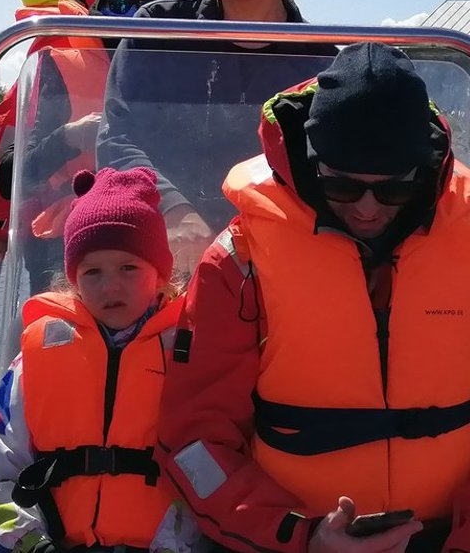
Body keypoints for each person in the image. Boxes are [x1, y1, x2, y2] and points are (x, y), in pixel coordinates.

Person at [156, 42, 470, 552]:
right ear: (311, 162)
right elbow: (194, 440)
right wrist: (301, 537)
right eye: (343, 187)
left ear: (425, 170)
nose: (368, 208)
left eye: (393, 190)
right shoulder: (240, 258)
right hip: (293, 536)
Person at [96, 0, 336, 271]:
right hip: (163, 253)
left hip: (277, 260)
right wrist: (173, 210)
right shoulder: (159, 31)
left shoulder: (323, 67)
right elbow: (117, 138)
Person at [0, 167, 188, 553]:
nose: (111, 285)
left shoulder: (192, 356)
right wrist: (32, 544)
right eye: (92, 272)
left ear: (160, 274)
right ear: (73, 280)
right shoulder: (34, 361)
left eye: (129, 267)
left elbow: (212, 474)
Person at [0, 0, 170, 292]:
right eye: (118, 6)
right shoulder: (59, 64)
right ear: (98, 9)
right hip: (66, 239)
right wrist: (70, 137)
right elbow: (12, 176)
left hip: (150, 233)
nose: (129, 19)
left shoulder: (178, 70)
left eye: (144, 9)